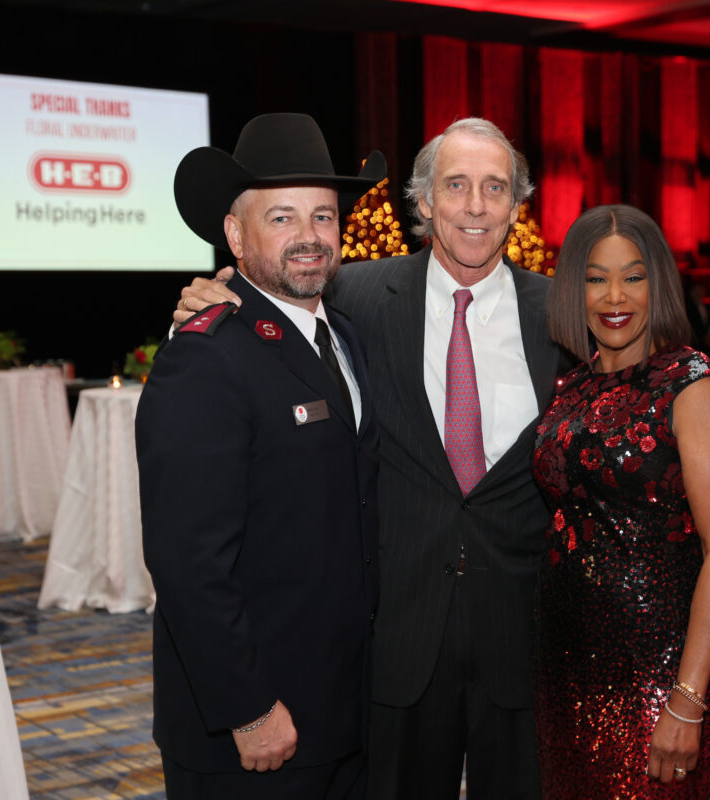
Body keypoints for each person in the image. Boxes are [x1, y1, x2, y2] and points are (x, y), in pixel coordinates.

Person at [171, 117, 564, 799]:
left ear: (515, 205)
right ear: (424, 201)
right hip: (394, 646)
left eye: (494, 187)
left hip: (521, 640)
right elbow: (265, 311)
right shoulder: (353, 296)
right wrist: (203, 300)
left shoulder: (562, 314)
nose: (475, 206)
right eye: (457, 186)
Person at [136, 113, 384, 798]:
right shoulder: (206, 357)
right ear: (236, 237)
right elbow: (187, 560)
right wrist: (247, 707)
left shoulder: (347, 340)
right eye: (282, 218)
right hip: (252, 730)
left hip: (341, 712)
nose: (309, 237)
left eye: (323, 217)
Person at [533, 205, 710, 797]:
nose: (613, 295)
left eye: (633, 275)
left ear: (660, 282)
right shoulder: (573, 385)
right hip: (566, 666)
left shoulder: (693, 385)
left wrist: (688, 698)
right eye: (595, 278)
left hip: (657, 674)